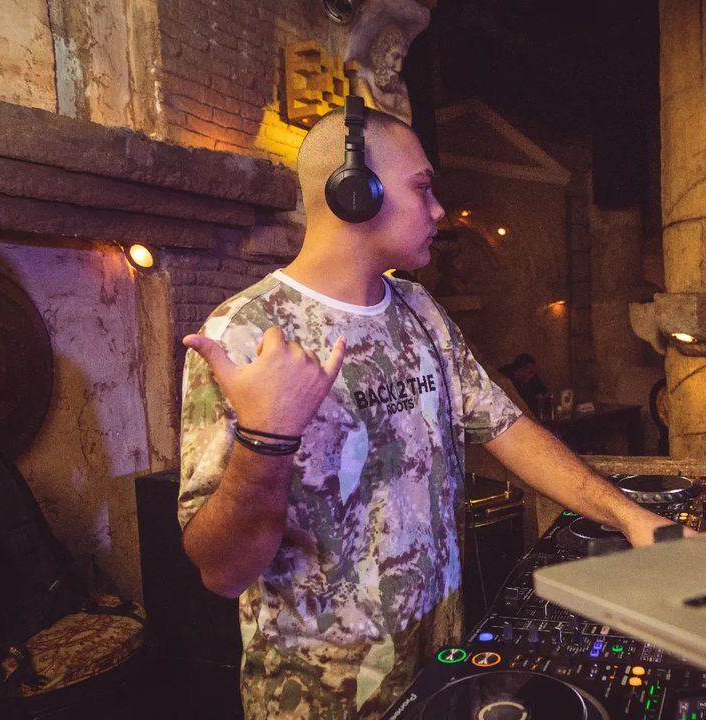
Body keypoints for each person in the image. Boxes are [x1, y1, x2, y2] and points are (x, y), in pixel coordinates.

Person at [177, 105, 675, 719]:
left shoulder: (419, 309)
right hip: (319, 700)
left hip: (442, 675)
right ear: (355, 192)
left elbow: (509, 428)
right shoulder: (244, 332)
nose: (439, 210)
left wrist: (631, 518)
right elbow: (222, 572)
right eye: (422, 188)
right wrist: (267, 439)